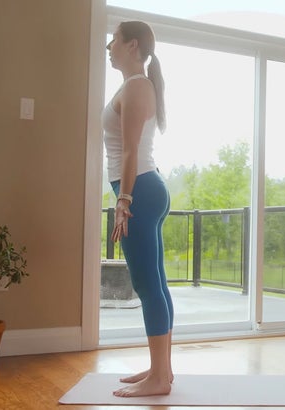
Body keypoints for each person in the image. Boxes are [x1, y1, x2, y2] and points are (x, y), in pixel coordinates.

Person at [103, 21, 173, 397]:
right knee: (156, 283)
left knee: (148, 285)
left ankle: (159, 378)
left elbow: (130, 150)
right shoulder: (134, 85)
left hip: (139, 191)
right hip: (145, 187)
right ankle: (161, 370)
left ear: (131, 45)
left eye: (113, 40)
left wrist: (123, 200)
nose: (108, 47)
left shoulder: (135, 86)